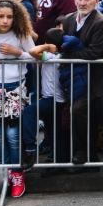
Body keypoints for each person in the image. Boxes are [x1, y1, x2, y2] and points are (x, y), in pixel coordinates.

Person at [0, 0, 35, 198]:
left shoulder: (22, 34)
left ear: (16, 18)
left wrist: (17, 52)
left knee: (13, 135)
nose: (5, 21)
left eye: (9, 17)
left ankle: (18, 172)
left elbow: (34, 55)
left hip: (16, 89)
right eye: (1, 16)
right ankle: (4, 171)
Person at [60, 0, 103, 174]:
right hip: (71, 76)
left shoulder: (101, 22)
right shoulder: (69, 18)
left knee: (80, 110)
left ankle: (84, 156)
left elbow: (94, 53)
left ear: (96, 1)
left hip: (92, 78)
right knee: (73, 112)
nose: (82, 2)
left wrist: (66, 56)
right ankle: (76, 155)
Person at [20, 27, 69, 178]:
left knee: (29, 112)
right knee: (55, 131)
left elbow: (33, 52)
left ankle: (30, 148)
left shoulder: (50, 56)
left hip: (52, 100)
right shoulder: (61, 56)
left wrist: (47, 47)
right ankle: (60, 163)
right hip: (55, 99)